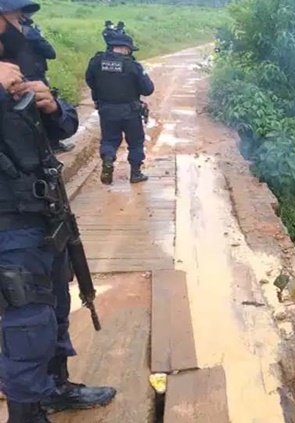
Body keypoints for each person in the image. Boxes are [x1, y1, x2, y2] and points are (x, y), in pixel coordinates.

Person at [0, 0, 117, 421]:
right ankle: (26, 415)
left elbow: (66, 127)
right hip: (7, 227)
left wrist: (50, 105)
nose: (21, 24)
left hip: (44, 215)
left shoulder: (18, 64)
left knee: (52, 312)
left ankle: (57, 387)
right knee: (26, 324)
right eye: (13, 17)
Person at [85, 26, 154, 185]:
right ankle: (135, 173)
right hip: (130, 111)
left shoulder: (96, 61)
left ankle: (108, 160)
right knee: (135, 141)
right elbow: (148, 89)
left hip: (107, 110)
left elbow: (90, 80)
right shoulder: (133, 65)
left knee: (109, 140)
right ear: (125, 48)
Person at [18, 15, 74, 154]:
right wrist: (38, 36)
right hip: (33, 78)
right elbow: (50, 53)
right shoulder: (30, 33)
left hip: (14, 79)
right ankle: (52, 145)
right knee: (46, 110)